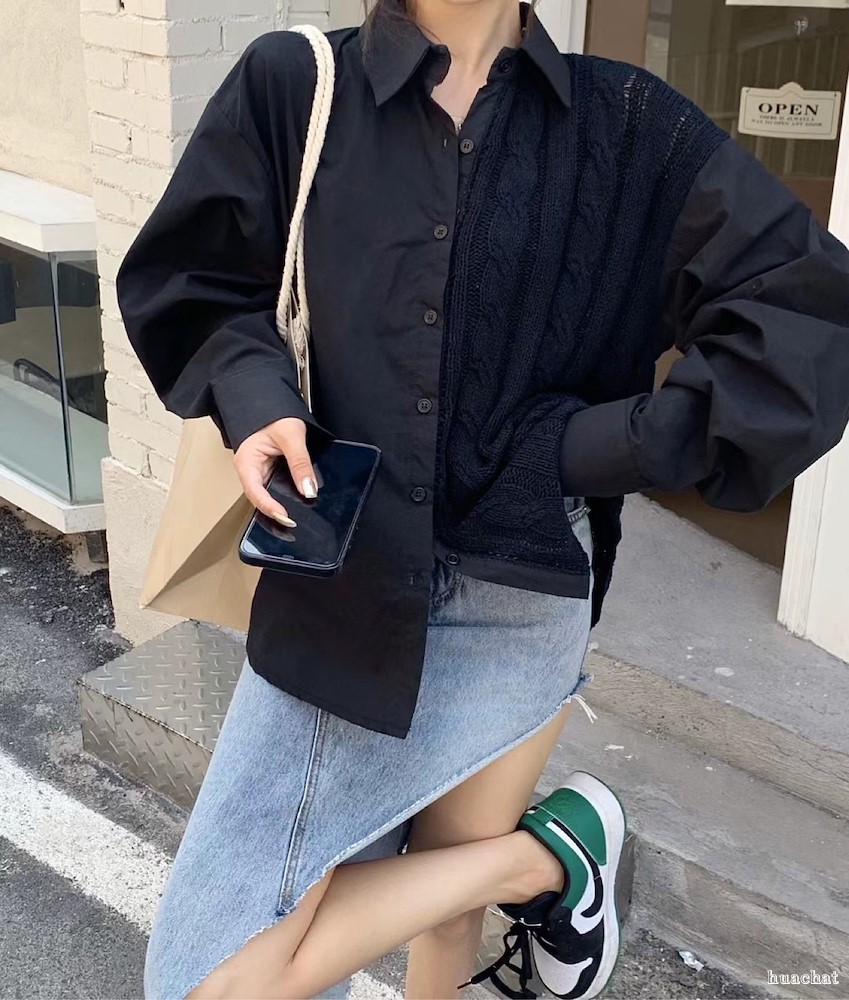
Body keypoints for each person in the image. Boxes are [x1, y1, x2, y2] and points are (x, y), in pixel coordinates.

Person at [115, 0, 849, 997]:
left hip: (522, 587)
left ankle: (520, 869)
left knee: (446, 917)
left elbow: (806, 312)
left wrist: (592, 446)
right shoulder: (295, 85)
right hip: (347, 586)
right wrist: (256, 398)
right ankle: (544, 864)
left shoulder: (627, 123)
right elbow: (196, 277)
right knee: (214, 979)